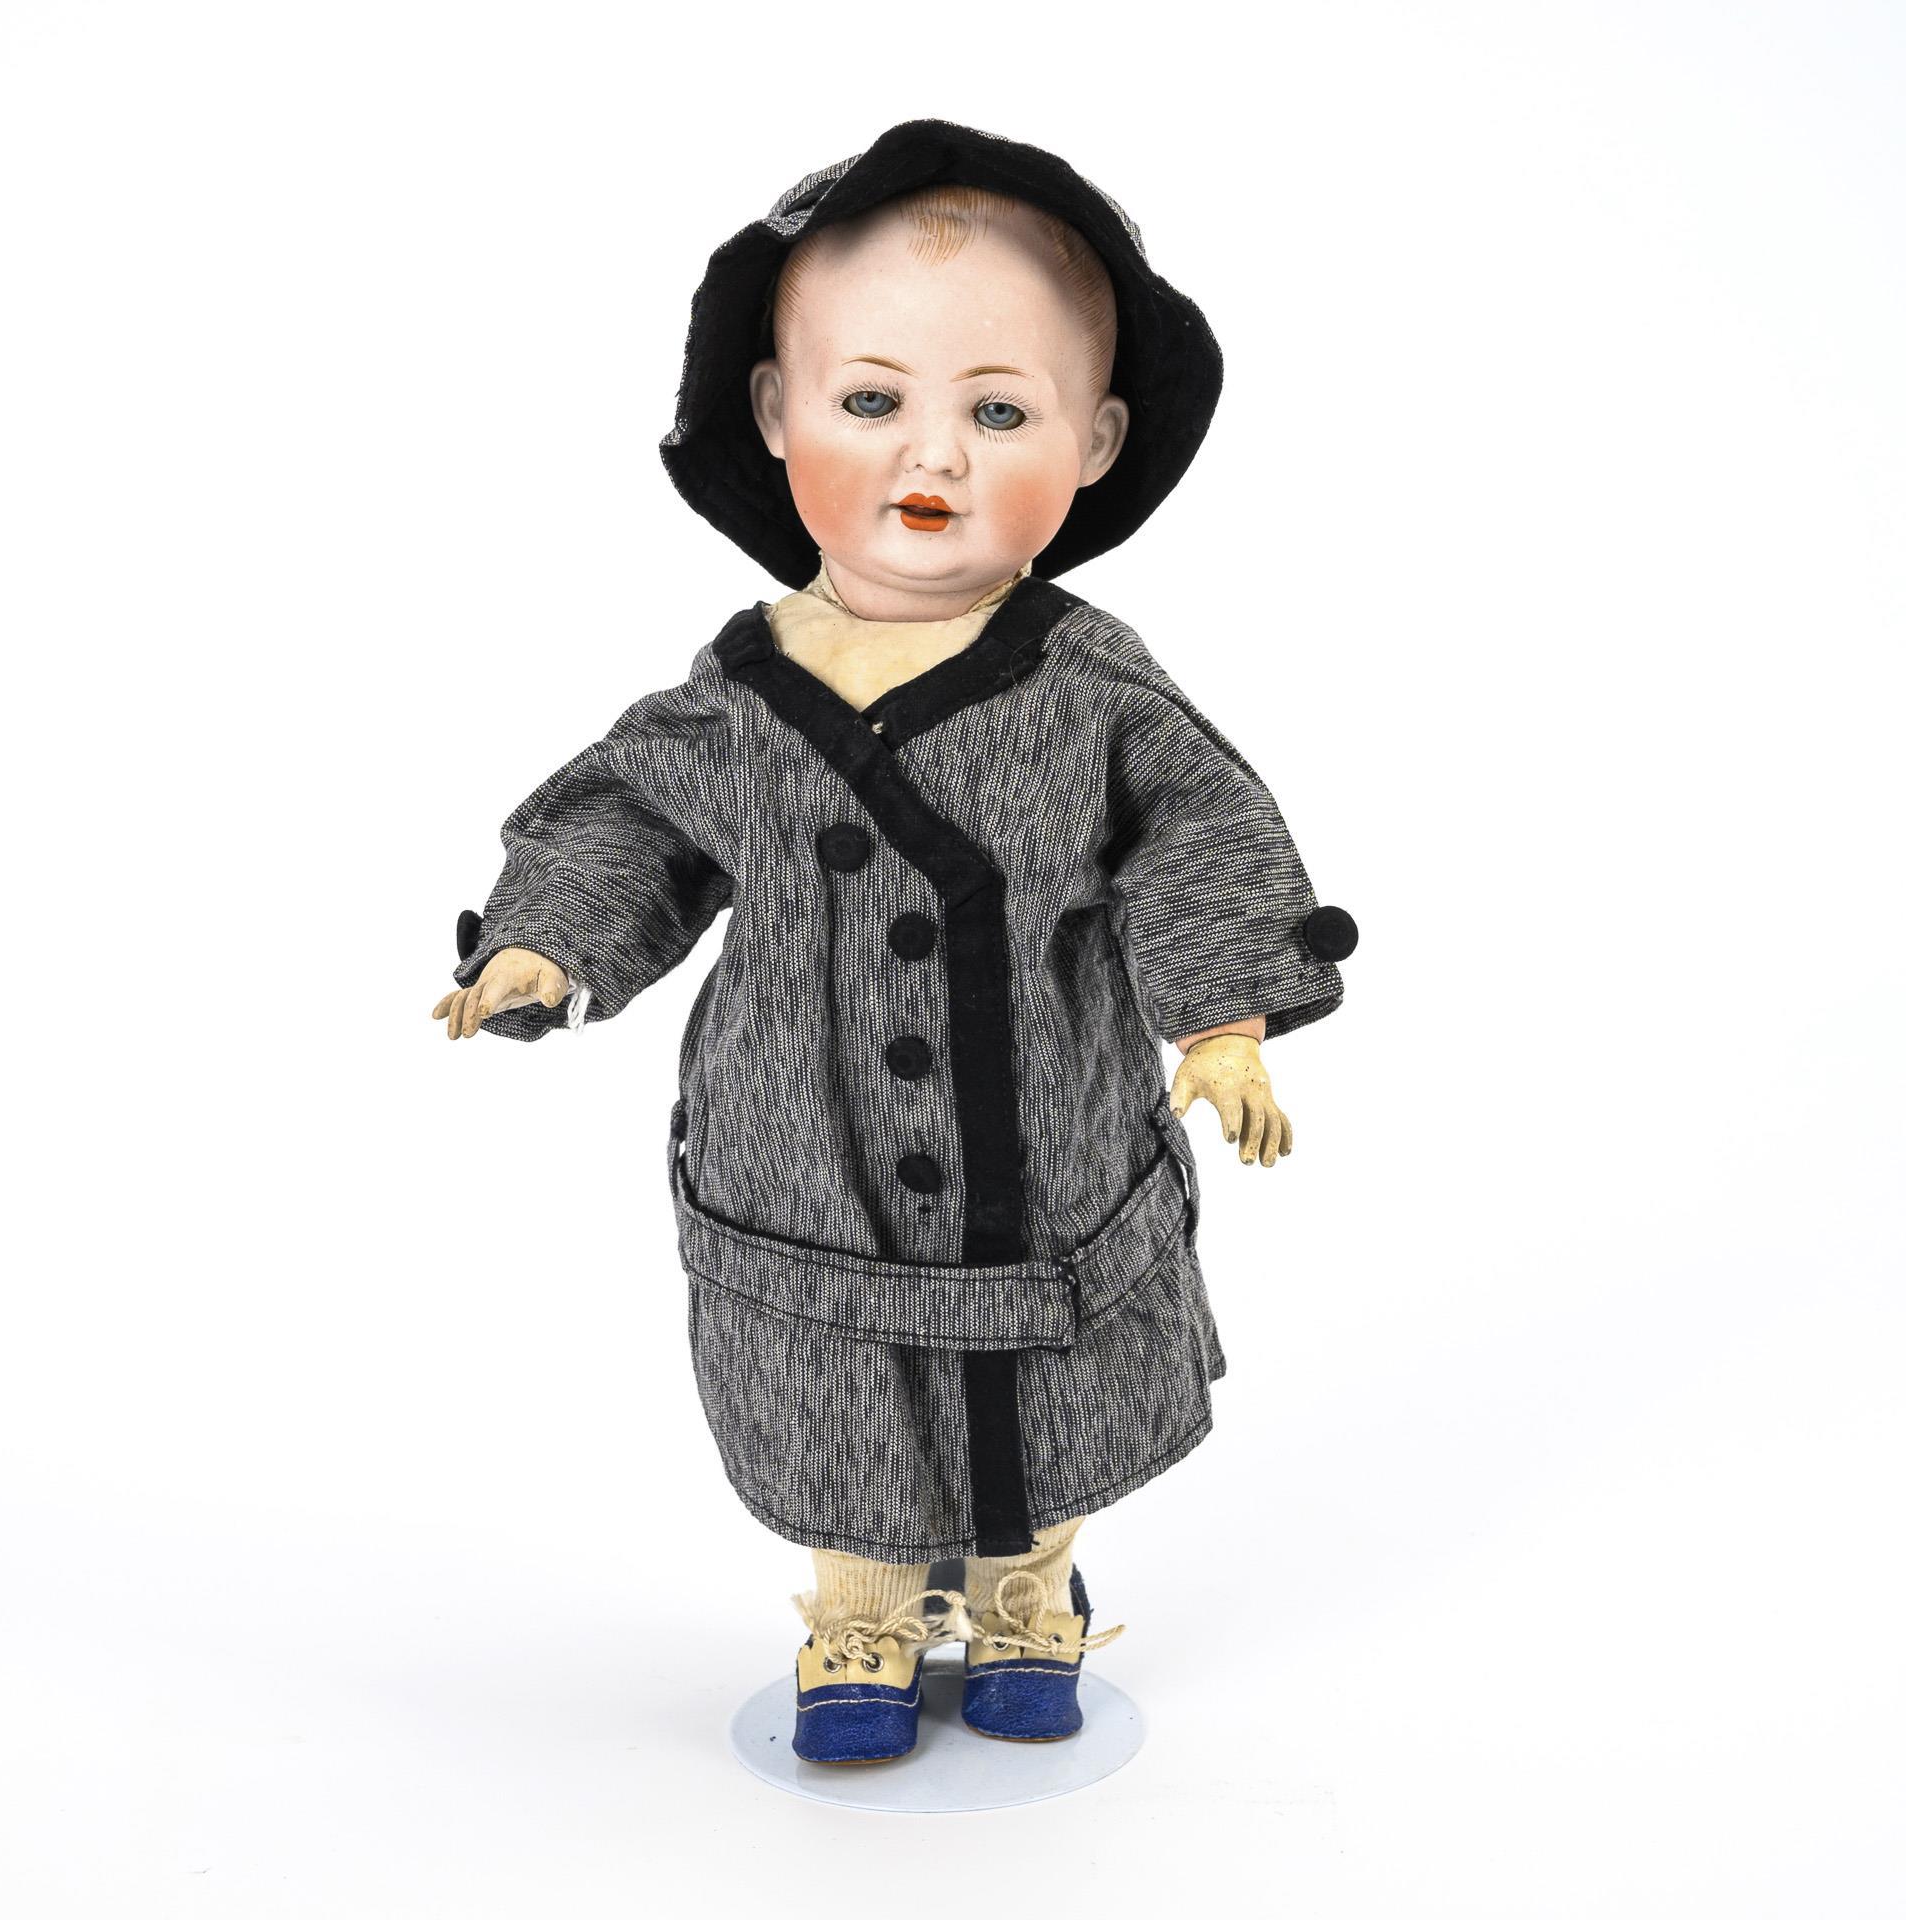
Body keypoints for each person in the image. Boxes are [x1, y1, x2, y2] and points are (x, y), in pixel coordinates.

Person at [432, 121, 1357, 1765]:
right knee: (836, 1396)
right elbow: (630, 820)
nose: (932, 456)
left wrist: (1223, 1021)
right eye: (871, 402)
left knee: (1045, 1391)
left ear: (1094, 439)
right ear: (775, 414)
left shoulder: (1088, 688)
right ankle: (858, 1612)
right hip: (806, 1153)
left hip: (1045, 1141)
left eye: (999, 412)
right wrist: (547, 948)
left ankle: (1026, 1598)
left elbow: (1201, 832)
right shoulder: (740, 693)